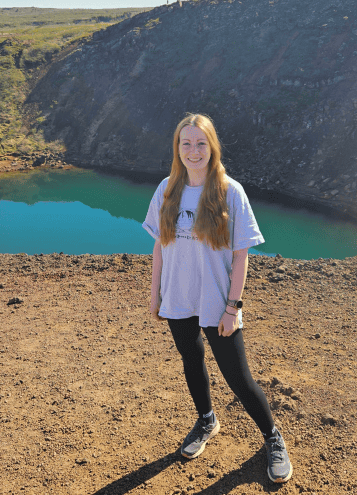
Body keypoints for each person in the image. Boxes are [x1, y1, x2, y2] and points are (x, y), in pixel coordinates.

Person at [142, 113, 293, 483]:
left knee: (239, 378)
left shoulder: (229, 190)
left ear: (212, 147)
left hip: (217, 302)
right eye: (186, 143)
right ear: (177, 148)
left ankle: (273, 438)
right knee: (191, 362)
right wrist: (155, 293)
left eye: (200, 143)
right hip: (178, 298)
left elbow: (241, 255)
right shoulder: (167, 189)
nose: (193, 151)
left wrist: (232, 307)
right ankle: (207, 421)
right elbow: (160, 246)